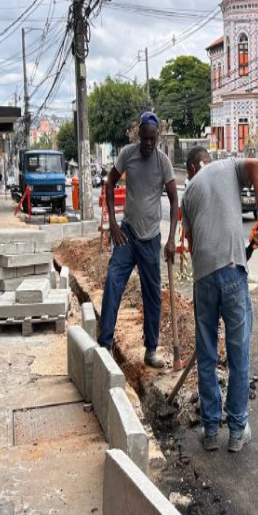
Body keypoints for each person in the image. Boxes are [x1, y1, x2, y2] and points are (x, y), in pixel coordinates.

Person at [181, 147, 258, 453]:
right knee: (238, 353)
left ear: (191, 167)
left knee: (206, 356)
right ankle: (236, 430)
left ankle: (209, 430)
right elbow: (257, 167)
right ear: (204, 161)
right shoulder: (228, 166)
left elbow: (191, 246)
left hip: (203, 279)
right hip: (233, 270)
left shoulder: (188, 191)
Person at [100, 111, 178, 368]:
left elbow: (175, 199)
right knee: (113, 281)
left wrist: (170, 239)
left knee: (152, 294)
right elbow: (109, 183)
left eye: (151, 139)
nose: (147, 143)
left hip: (151, 238)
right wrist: (112, 222)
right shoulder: (127, 154)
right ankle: (104, 344)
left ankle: (151, 349)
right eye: (144, 138)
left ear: (156, 137)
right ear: (139, 135)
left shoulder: (163, 162)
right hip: (128, 234)